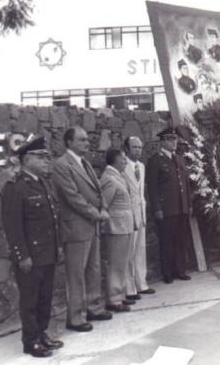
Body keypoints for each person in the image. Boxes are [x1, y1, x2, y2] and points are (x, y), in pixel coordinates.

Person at [0, 135, 64, 358]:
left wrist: (58, 247)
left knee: (45, 297)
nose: (47, 161)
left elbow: (51, 220)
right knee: (30, 299)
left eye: (47, 157)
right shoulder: (16, 188)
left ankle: (42, 333)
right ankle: (31, 340)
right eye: (41, 157)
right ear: (27, 160)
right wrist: (22, 256)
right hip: (31, 256)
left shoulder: (42, 184)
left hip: (47, 252)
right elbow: (12, 226)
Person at [52, 126, 112, 333]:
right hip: (77, 227)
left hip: (92, 224)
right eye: (82, 140)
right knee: (76, 273)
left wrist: (103, 207)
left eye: (87, 139)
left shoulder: (84, 163)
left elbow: (97, 189)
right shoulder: (61, 165)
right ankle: (75, 317)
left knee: (93, 269)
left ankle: (94, 307)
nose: (87, 143)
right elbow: (72, 197)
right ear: (69, 142)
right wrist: (97, 213)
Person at [146, 126, 193, 283]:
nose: (174, 142)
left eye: (175, 139)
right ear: (163, 141)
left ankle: (180, 270)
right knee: (166, 241)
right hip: (166, 209)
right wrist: (157, 209)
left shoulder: (179, 159)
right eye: (171, 139)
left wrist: (189, 204)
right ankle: (167, 273)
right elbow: (152, 187)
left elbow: (186, 184)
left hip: (181, 207)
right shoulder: (155, 161)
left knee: (180, 240)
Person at [100, 149, 136, 312]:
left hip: (124, 225)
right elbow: (104, 205)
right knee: (115, 263)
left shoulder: (118, 176)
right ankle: (113, 300)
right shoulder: (109, 178)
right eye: (123, 159)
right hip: (116, 227)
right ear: (114, 160)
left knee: (122, 263)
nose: (125, 161)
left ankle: (120, 295)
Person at [123, 136, 155, 299]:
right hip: (128, 214)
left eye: (140, 147)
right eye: (134, 147)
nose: (138, 150)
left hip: (141, 213)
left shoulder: (141, 166)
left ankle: (141, 284)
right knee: (128, 251)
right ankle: (129, 289)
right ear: (127, 149)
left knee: (140, 249)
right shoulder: (122, 167)